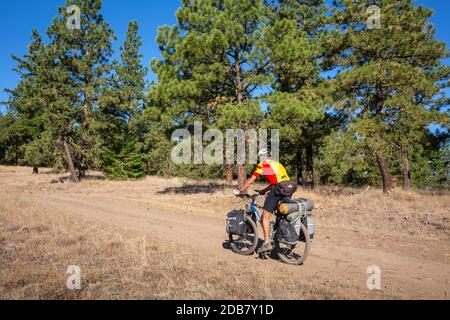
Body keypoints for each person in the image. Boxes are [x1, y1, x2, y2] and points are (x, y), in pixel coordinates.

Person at [236, 148, 291, 254]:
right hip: (288, 189)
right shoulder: (277, 164)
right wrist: (263, 191)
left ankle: (266, 243)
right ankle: (277, 234)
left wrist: (240, 190)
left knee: (265, 215)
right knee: (281, 213)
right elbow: (275, 181)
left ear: (263, 156)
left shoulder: (263, 164)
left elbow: (251, 180)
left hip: (278, 189)